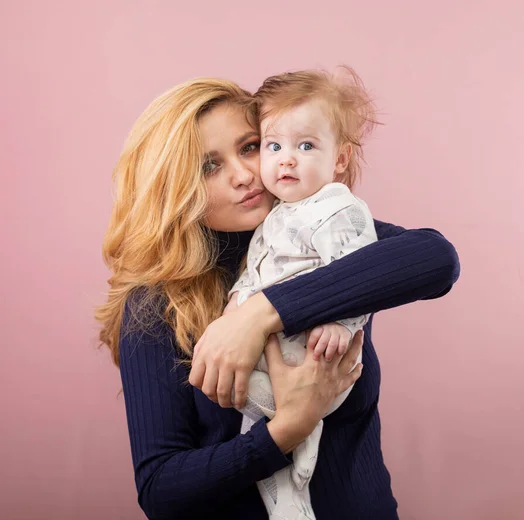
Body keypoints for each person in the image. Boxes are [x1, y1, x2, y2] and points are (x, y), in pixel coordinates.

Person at [96, 74, 460, 520]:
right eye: (209, 166)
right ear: (175, 189)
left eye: (250, 146)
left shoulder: (323, 235)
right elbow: (161, 490)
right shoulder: (155, 306)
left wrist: (257, 315)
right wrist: (285, 430)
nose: (244, 174)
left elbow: (436, 258)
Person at [226, 67, 380, 520]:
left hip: (317, 356)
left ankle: (301, 444)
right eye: (273, 146)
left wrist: (341, 323)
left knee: (257, 409)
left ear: (339, 159)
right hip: (281, 356)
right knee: (254, 429)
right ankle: (289, 496)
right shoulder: (276, 213)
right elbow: (255, 270)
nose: (286, 160)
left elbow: (358, 275)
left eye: (305, 146)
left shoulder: (338, 209)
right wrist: (238, 304)